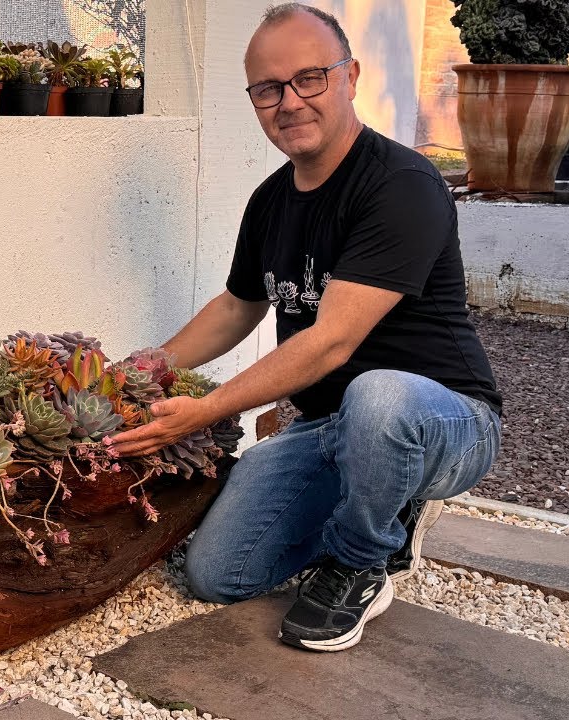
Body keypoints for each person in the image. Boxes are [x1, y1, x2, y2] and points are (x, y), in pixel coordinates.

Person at [108, 2, 502, 653]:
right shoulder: (270, 201)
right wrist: (140, 370)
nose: (289, 102)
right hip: (332, 428)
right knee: (218, 573)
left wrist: (205, 409)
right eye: (268, 89)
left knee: (378, 397)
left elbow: (331, 341)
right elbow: (237, 307)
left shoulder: (402, 185)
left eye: (309, 78)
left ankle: (363, 559)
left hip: (443, 419)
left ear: (351, 76)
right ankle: (378, 501)